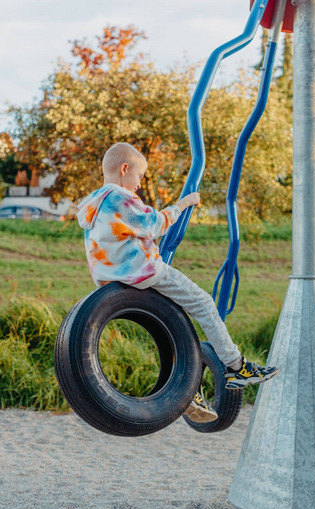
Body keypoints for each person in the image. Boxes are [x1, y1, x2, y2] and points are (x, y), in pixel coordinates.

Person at [77, 142, 278, 423]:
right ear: (124, 169)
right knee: (203, 303)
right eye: (139, 175)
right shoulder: (120, 197)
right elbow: (156, 224)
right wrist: (183, 204)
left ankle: (188, 391)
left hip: (109, 278)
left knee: (174, 322)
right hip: (142, 271)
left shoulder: (94, 202)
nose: (140, 182)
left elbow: (127, 232)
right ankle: (235, 366)